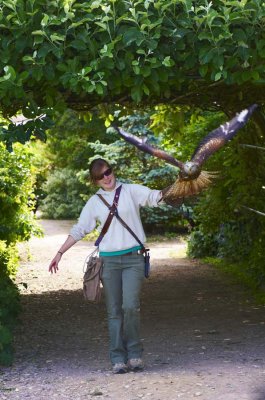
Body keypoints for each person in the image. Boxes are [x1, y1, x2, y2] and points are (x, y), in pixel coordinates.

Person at [48, 158, 163, 374]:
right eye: (100, 176)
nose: (106, 177)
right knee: (114, 311)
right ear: (95, 181)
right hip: (108, 262)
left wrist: (183, 183)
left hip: (134, 260)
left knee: (130, 307)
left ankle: (135, 354)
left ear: (113, 171)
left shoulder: (130, 191)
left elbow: (155, 196)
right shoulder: (94, 202)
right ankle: (118, 358)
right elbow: (80, 229)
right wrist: (60, 253)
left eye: (108, 172)